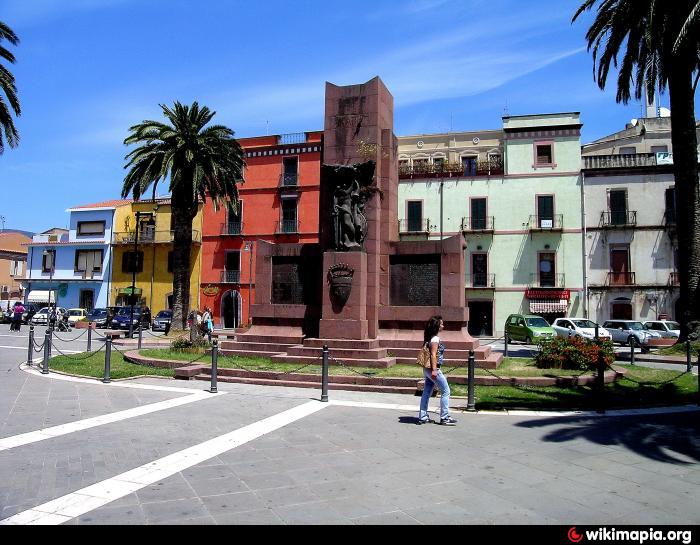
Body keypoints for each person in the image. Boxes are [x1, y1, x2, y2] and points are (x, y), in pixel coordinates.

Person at [418, 315, 457, 426]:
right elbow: (433, 354)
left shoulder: (429, 337)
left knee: (427, 392)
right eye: (441, 324)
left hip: (426, 369)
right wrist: (435, 370)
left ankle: (423, 416)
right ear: (437, 326)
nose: (443, 325)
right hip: (433, 369)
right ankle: (445, 417)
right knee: (446, 391)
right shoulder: (435, 339)